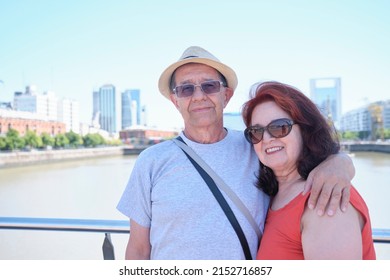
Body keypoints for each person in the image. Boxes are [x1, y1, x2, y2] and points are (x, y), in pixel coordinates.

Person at [117, 46, 355, 260]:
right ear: (175, 100)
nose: (198, 96)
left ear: (226, 95)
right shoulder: (150, 162)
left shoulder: (256, 145)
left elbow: (298, 164)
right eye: (186, 89)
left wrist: (338, 162)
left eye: (209, 86)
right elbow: (138, 250)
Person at [242, 81, 376, 259]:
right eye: (256, 132)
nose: (266, 138)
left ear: (305, 130)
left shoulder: (325, 197)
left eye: (279, 127)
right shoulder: (273, 196)